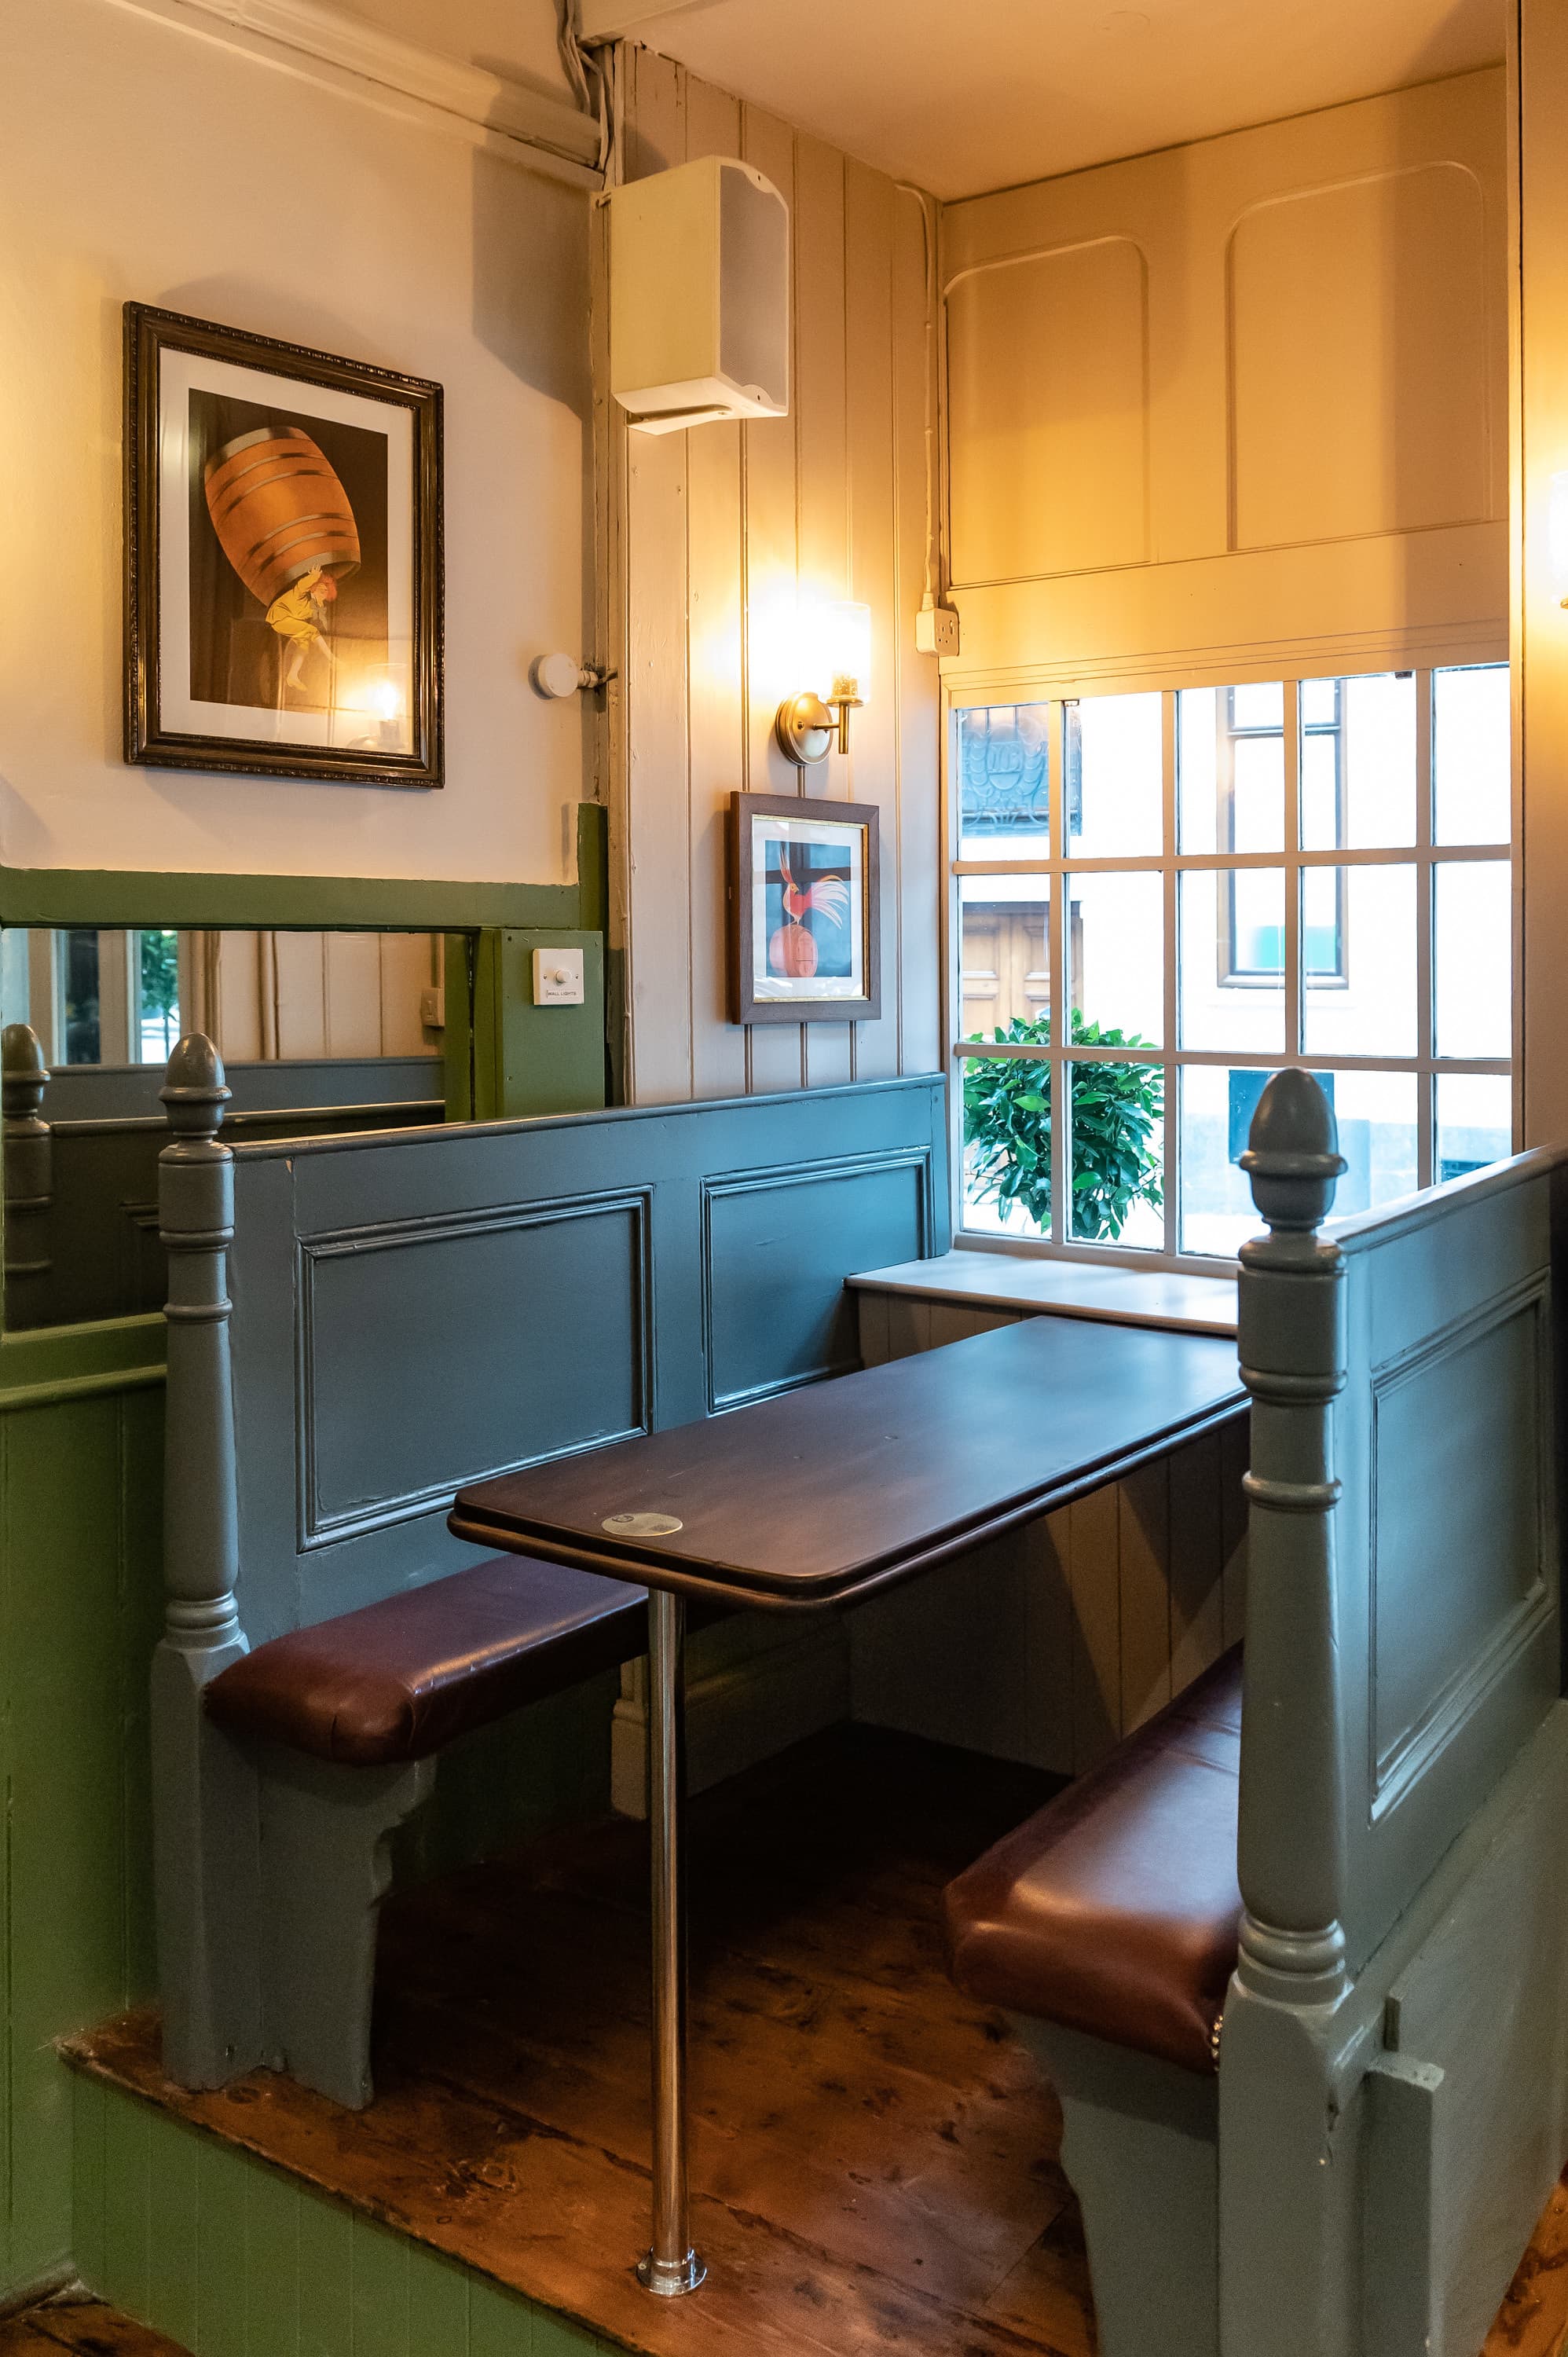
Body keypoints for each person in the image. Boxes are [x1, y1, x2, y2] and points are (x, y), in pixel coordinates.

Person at [264, 565, 339, 698]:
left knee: (304, 644)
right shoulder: (300, 595)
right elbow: (301, 586)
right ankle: (332, 659)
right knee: (311, 630)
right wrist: (314, 576)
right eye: (321, 589)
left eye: (324, 592)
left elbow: (325, 598)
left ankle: (292, 676)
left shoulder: (311, 608)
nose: (323, 592)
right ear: (313, 589)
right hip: (279, 617)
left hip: (285, 622)